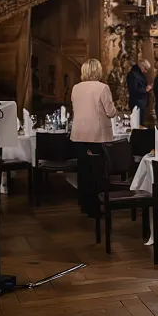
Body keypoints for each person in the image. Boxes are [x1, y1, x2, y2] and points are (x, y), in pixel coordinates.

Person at [70, 58, 117, 214]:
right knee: (97, 172)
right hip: (96, 135)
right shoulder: (102, 88)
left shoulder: (75, 88)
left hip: (78, 134)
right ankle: (96, 207)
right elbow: (111, 112)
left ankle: (85, 205)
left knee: (84, 171)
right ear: (98, 71)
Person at [126, 59, 152, 125]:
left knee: (140, 124)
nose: (146, 72)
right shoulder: (133, 74)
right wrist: (145, 90)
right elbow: (133, 90)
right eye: (145, 69)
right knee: (137, 124)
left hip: (141, 102)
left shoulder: (139, 74)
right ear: (142, 66)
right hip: (137, 103)